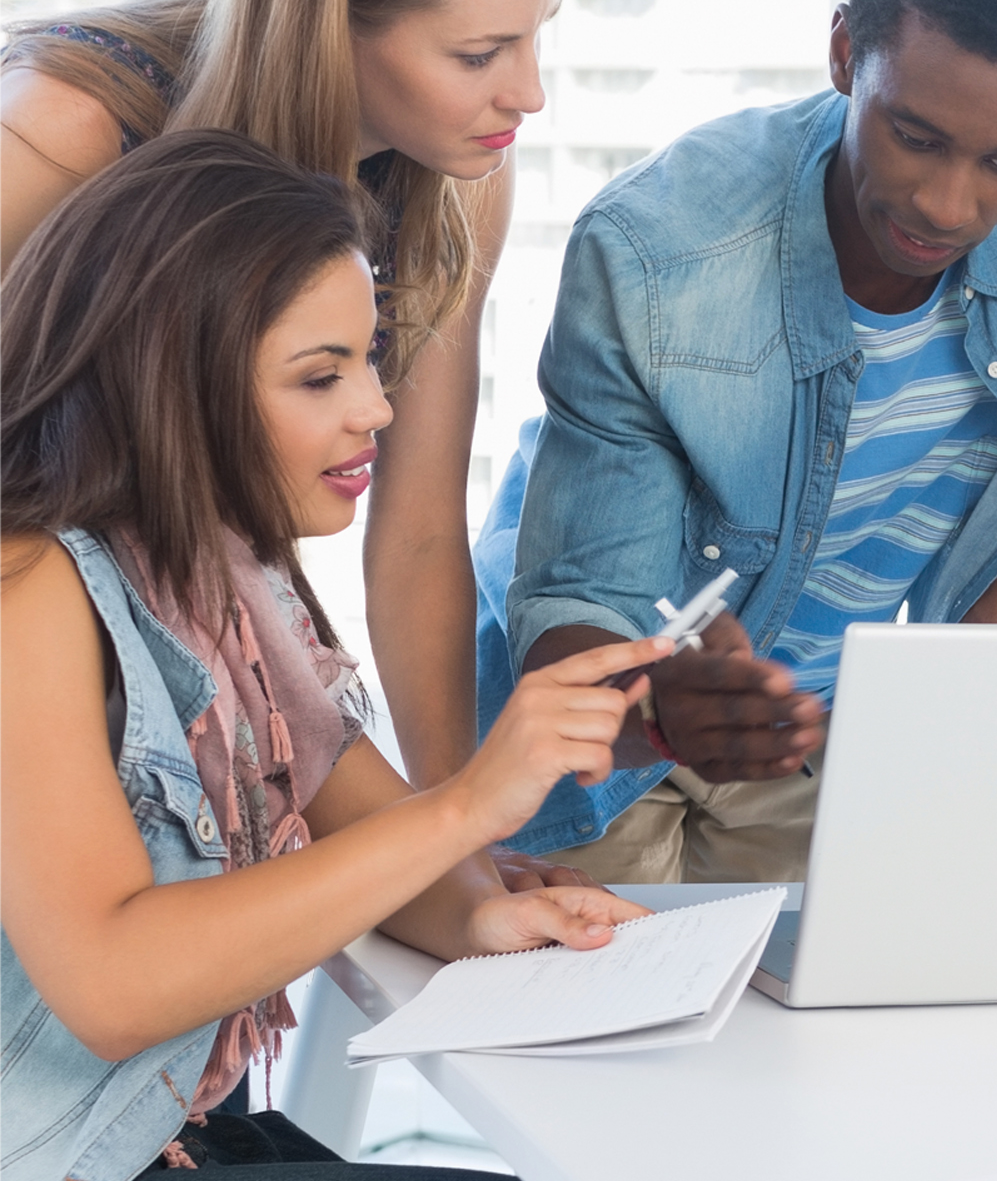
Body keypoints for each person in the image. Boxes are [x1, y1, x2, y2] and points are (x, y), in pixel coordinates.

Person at [0, 132, 676, 1180]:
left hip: (175, 1141)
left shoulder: (228, 576)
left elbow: (373, 838)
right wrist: (473, 801)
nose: (377, 407)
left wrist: (483, 912)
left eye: (368, 357)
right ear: (172, 383)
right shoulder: (26, 580)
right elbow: (111, 984)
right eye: (321, 376)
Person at [478, 0, 997, 882]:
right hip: (600, 752)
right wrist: (656, 706)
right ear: (841, 54)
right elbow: (580, 604)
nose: (950, 204)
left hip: (819, 746)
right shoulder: (656, 251)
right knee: (585, 1022)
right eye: (915, 136)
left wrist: (982, 783)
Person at [1, 0, 562, 817]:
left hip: (198, 650)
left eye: (538, 36)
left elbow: (421, 532)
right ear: (331, 19)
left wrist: (451, 835)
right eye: (478, 54)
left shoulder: (459, 177)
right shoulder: (68, 131)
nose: (528, 92)